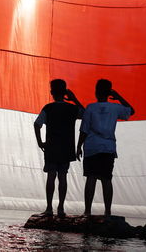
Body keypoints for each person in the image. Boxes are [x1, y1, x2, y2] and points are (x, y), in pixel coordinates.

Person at [76, 79, 135, 216]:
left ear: (96, 92)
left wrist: (79, 146)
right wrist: (118, 96)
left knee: (91, 178)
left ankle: (87, 211)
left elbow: (84, 130)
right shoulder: (115, 108)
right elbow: (131, 111)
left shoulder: (90, 108)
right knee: (106, 179)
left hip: (91, 147)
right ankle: (107, 212)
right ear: (109, 92)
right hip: (108, 148)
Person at [34, 79, 85, 217]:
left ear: (51, 92)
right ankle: (61, 208)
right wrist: (74, 99)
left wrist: (40, 142)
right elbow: (86, 114)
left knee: (51, 176)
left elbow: (37, 124)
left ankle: (49, 208)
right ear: (65, 92)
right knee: (63, 177)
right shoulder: (72, 108)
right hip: (66, 148)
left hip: (51, 146)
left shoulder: (48, 108)